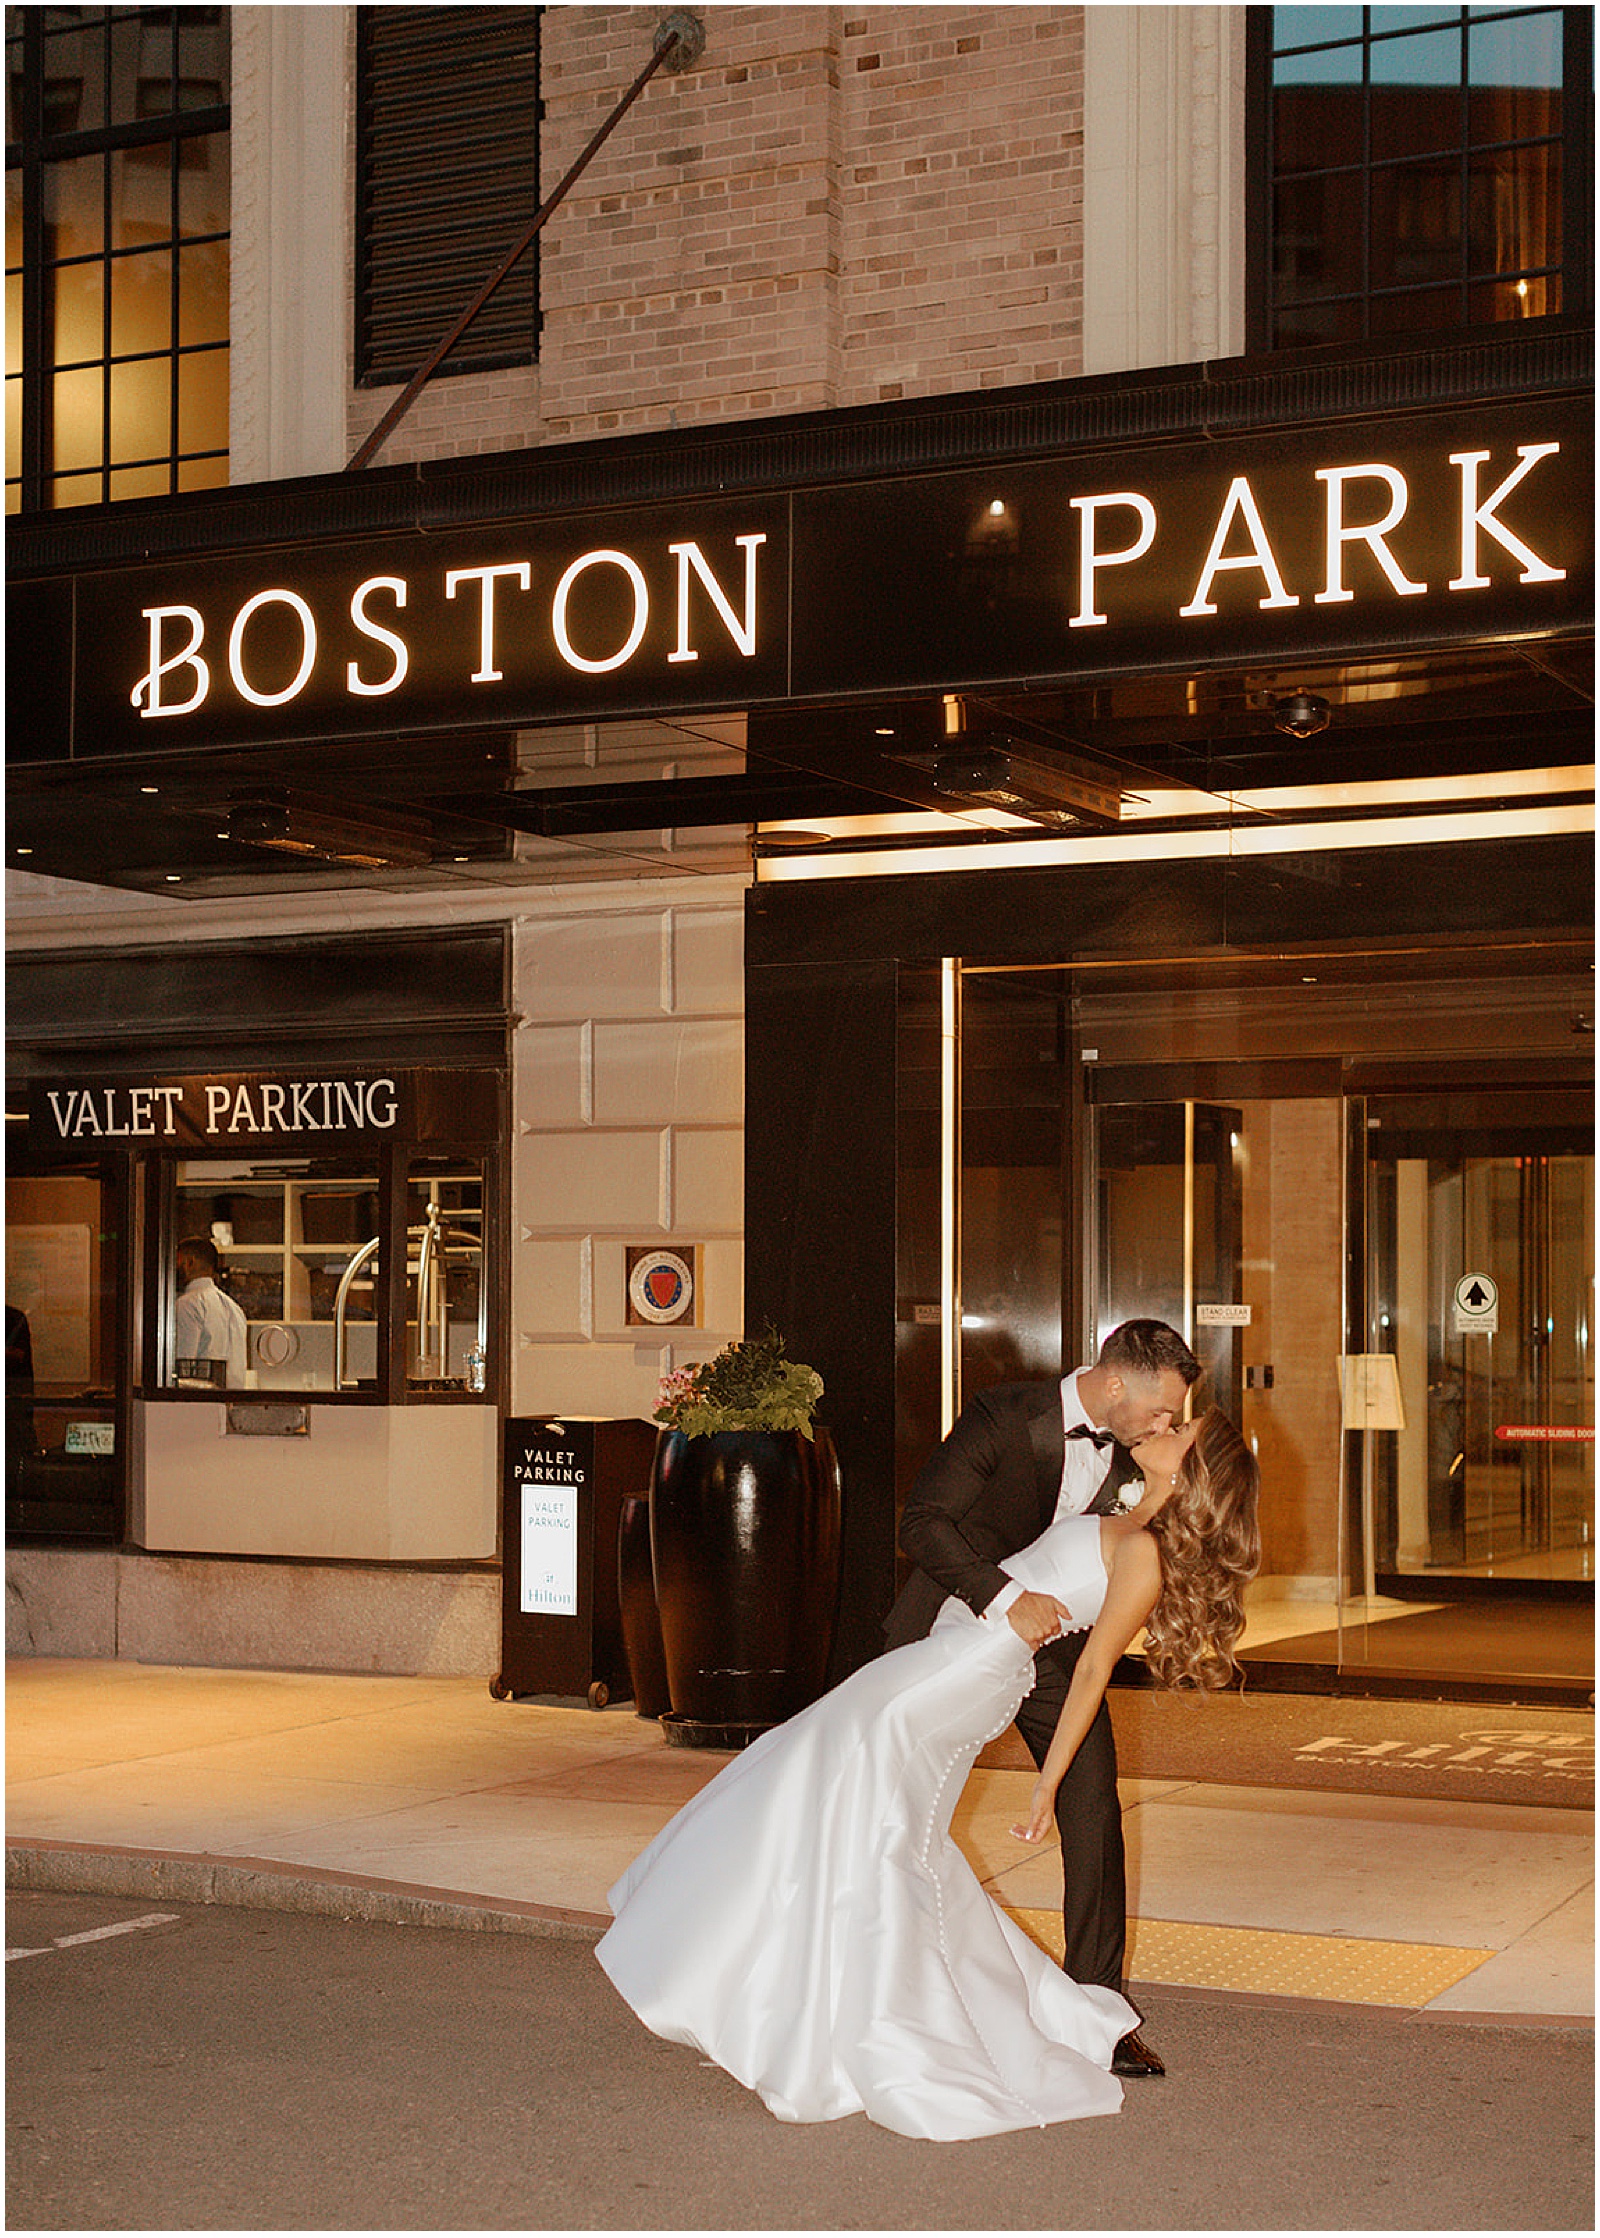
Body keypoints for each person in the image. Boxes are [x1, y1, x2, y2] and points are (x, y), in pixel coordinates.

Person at [596, 1406, 1259, 2141]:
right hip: (948, 1658)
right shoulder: (1130, 1516)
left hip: (962, 1675)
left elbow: (1092, 1673)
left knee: (839, 1793)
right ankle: (827, 2010)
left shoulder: (1144, 1556)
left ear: (1191, 1468)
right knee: (862, 1817)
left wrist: (1048, 1785)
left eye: (1182, 1431)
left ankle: (864, 2029)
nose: (1167, 1426)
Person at [882, 1317, 1202, 2078]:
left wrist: (1156, 1489)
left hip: (1056, 1648)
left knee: (1093, 1808)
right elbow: (920, 1524)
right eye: (1160, 1411)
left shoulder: (1132, 1450)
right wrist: (1004, 1599)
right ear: (1115, 1384)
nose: (1166, 1426)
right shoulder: (1004, 1417)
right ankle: (892, 1981)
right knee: (898, 1811)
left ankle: (1098, 2011)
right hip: (955, 1631)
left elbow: (1113, 1540)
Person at [173, 1236, 249, 1388]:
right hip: (229, 1403)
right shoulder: (234, 1308)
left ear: (189, 1263)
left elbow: (183, 1370)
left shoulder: (187, 1305)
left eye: (177, 1262)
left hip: (199, 1406)